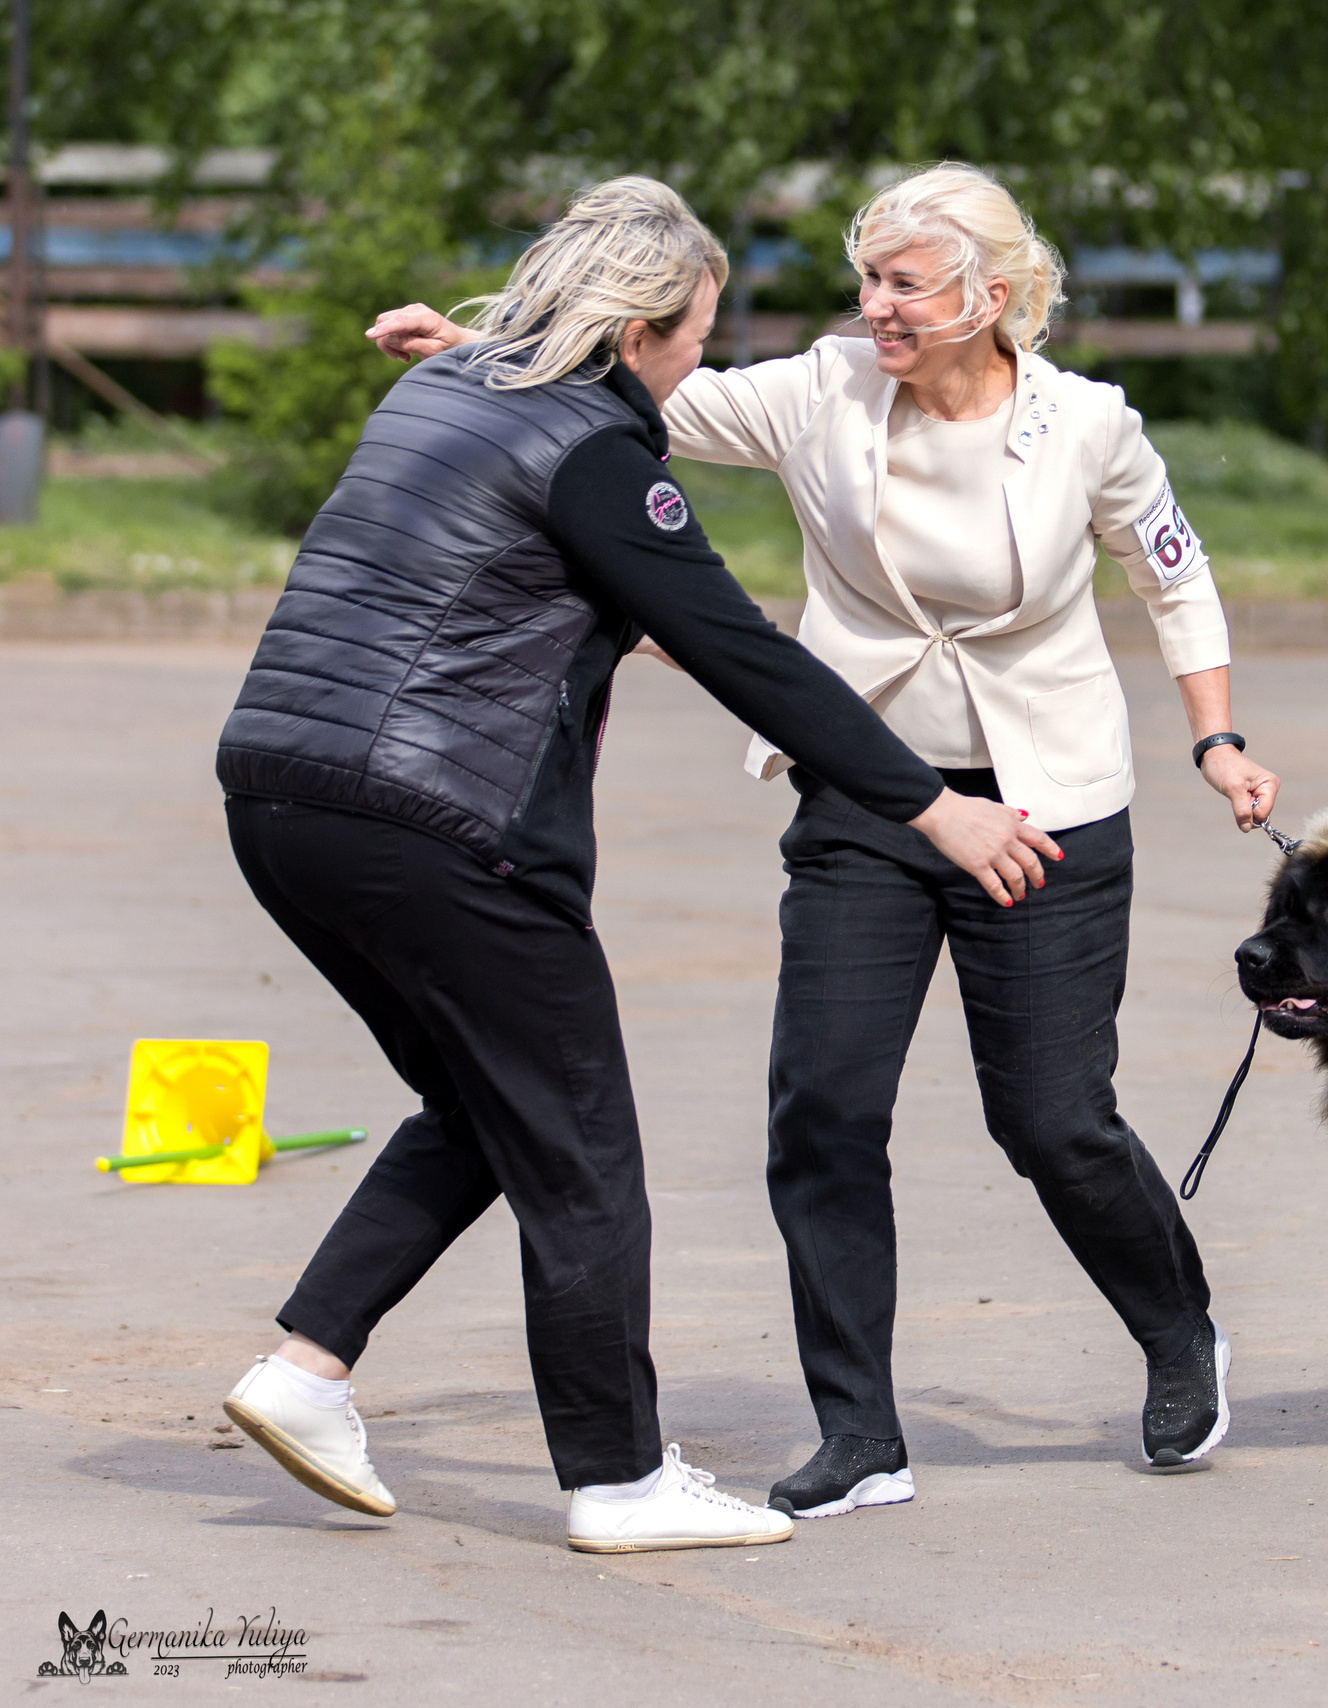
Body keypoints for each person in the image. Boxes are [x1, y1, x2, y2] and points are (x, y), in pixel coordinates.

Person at [369, 161, 1280, 1516]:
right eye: (869, 283)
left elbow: (1172, 569)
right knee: (823, 1113)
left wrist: (1215, 737)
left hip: (1046, 806)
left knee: (1050, 1118)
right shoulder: (821, 387)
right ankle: (860, 1434)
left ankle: (1177, 1330)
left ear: (991, 295)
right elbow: (637, 385)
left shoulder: (1088, 425)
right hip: (869, 795)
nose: (876, 309)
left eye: (904, 284)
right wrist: (475, 350)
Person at [217, 176, 1056, 1556]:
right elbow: (741, 652)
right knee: (586, 1150)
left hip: (281, 798)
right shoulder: (597, 447)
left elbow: (560, 600)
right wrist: (934, 810)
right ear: (636, 336)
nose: (695, 369)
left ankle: (305, 1374)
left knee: (489, 1107)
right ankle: (617, 1481)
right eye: (695, 341)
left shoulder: (442, 398)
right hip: (447, 827)